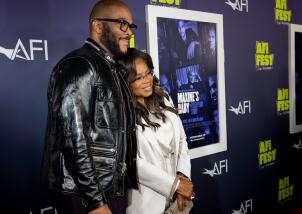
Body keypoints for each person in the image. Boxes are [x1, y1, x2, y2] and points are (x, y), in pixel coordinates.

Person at [41, 1, 138, 214]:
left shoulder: (113, 68)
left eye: (131, 26)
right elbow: (73, 138)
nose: (129, 32)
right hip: (84, 195)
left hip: (108, 189)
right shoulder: (79, 65)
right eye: (122, 24)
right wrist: (94, 200)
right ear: (98, 26)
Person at [121, 49, 194, 214]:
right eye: (139, 77)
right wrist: (174, 186)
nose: (147, 80)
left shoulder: (163, 96)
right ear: (126, 82)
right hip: (146, 203)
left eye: (148, 73)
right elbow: (132, 162)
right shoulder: (121, 113)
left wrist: (182, 177)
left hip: (177, 201)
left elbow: (181, 139)